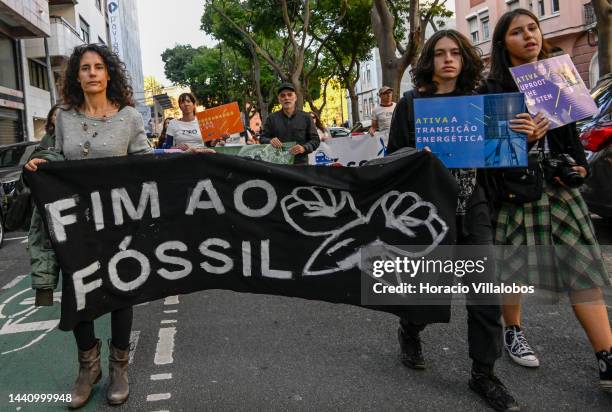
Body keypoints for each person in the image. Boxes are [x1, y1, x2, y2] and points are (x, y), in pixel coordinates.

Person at [387, 29, 521, 412]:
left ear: (465, 60)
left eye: (456, 53)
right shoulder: (411, 104)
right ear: (429, 60)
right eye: (440, 53)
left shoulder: (481, 102)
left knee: (484, 294)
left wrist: (524, 134)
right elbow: (395, 155)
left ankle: (484, 373)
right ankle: (410, 329)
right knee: (426, 289)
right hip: (429, 212)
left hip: (474, 206)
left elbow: (505, 151)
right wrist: (418, 156)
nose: (448, 59)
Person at [479, 8, 612, 392]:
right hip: (517, 189)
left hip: (562, 188)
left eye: (532, 28)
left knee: (584, 268)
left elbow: (573, 138)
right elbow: (489, 154)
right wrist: (525, 140)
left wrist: (581, 166)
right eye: (517, 32)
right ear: (503, 43)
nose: (528, 36)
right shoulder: (492, 92)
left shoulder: (559, 77)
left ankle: (606, 354)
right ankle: (513, 330)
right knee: (514, 270)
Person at [25, 43, 154, 408]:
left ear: (109, 73)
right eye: (85, 68)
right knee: (77, 294)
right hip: (74, 226)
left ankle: (119, 369)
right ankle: (88, 367)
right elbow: (52, 153)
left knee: (120, 292)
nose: (92, 73)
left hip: (117, 224)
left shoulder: (129, 117)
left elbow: (145, 165)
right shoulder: (63, 117)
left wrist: (187, 159)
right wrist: (40, 162)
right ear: (76, 77)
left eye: (98, 67)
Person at [259, 82, 320, 165]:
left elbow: (315, 140)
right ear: (279, 100)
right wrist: (270, 141)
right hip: (278, 165)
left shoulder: (306, 117)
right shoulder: (271, 118)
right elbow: (262, 138)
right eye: (282, 95)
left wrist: (304, 148)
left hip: (300, 165)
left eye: (289, 94)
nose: (286, 98)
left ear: (295, 98)